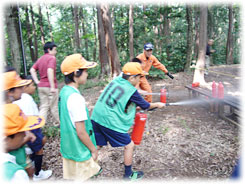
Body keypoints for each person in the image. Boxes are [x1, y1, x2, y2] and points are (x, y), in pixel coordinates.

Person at [91, 62, 165, 180]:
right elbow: (146, 106)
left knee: (98, 144)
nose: (141, 79)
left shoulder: (116, 81)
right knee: (129, 145)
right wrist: (158, 104)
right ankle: (128, 175)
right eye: (139, 77)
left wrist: (139, 95)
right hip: (110, 121)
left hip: (96, 117)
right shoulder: (131, 90)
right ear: (132, 78)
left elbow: (123, 100)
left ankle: (89, 170)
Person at [59, 54, 101, 181]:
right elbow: (81, 131)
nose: (87, 74)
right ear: (76, 73)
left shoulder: (64, 91)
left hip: (69, 146)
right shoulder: (76, 98)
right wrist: (93, 150)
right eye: (85, 71)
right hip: (80, 149)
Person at [3, 69, 45, 181]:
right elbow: (7, 144)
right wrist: (26, 138)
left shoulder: (12, 107)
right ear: (9, 92)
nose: (22, 89)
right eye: (19, 87)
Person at [13, 75, 52, 181]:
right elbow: (32, 117)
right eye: (31, 85)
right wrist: (37, 133)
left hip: (25, 130)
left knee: (31, 151)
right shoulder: (26, 99)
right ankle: (38, 173)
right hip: (32, 128)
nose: (34, 87)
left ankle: (34, 169)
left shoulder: (17, 100)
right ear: (24, 87)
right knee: (39, 149)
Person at [30, 41, 59, 126]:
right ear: (49, 50)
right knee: (54, 107)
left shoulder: (40, 59)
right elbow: (50, 70)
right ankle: (59, 124)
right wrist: (52, 86)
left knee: (44, 106)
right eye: (54, 50)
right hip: (50, 86)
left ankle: (40, 125)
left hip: (41, 86)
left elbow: (32, 70)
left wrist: (37, 82)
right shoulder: (52, 58)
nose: (55, 52)